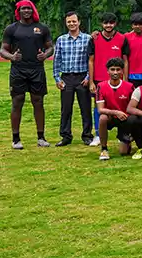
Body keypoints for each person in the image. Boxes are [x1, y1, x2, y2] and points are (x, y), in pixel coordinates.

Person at [0, 0, 53, 150]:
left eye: (29, 8)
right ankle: (16, 139)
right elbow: (3, 50)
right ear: (18, 11)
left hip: (37, 69)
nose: (26, 11)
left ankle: (41, 137)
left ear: (33, 10)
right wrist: (11, 57)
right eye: (23, 8)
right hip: (18, 70)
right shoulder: (11, 29)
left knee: (38, 101)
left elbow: (50, 47)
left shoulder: (42, 28)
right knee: (17, 101)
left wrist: (45, 55)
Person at [88, 12, 129, 147]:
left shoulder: (122, 39)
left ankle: (122, 133)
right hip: (99, 79)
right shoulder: (94, 38)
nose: (108, 25)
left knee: (122, 104)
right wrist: (92, 81)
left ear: (115, 24)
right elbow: (91, 61)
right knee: (97, 106)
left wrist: (126, 80)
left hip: (119, 79)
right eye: (105, 23)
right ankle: (98, 135)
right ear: (101, 24)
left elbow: (125, 61)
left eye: (111, 23)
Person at [53, 11, 93, 146]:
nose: (72, 24)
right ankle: (65, 136)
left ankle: (87, 135)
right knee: (66, 108)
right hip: (66, 78)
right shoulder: (61, 40)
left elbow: (91, 60)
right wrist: (57, 79)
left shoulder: (87, 39)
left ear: (79, 22)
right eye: (69, 21)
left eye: (74, 21)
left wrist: (88, 77)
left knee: (86, 108)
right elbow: (57, 60)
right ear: (66, 23)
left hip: (82, 77)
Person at [95, 57, 135, 161]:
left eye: (118, 69)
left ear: (122, 71)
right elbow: (100, 109)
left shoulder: (130, 86)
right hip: (110, 117)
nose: (115, 72)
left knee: (124, 152)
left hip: (125, 119)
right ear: (107, 71)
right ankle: (104, 149)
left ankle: (126, 138)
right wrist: (116, 112)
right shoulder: (101, 86)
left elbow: (134, 107)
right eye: (112, 69)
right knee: (102, 118)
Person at [124, 12, 142, 87]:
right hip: (131, 75)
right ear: (132, 26)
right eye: (135, 24)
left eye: (140, 24)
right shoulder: (126, 37)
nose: (138, 26)